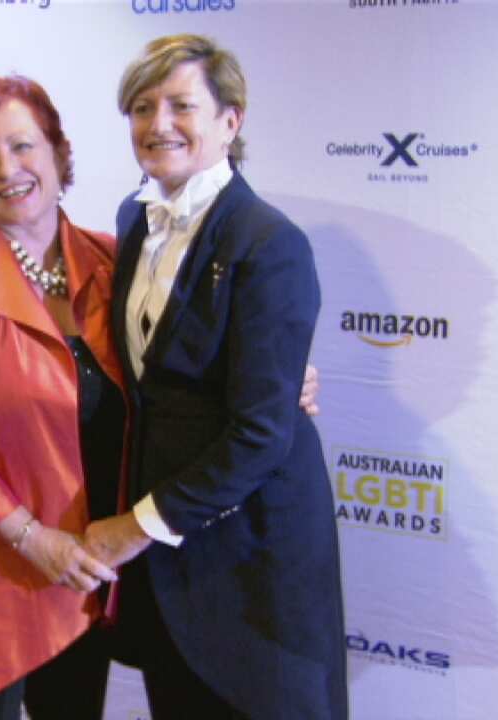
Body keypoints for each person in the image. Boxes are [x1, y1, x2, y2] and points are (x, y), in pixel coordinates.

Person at [0, 74, 322, 719]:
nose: (7, 170)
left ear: (58, 153)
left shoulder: (112, 258)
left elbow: (187, 365)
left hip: (87, 569)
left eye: (23, 147)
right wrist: (32, 539)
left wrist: (285, 379)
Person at [83, 34, 349, 720]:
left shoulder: (271, 242)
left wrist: (135, 527)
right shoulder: (132, 222)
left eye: (180, 105)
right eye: (142, 107)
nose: (157, 123)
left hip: (252, 559)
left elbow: (263, 431)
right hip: (173, 571)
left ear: (230, 122)